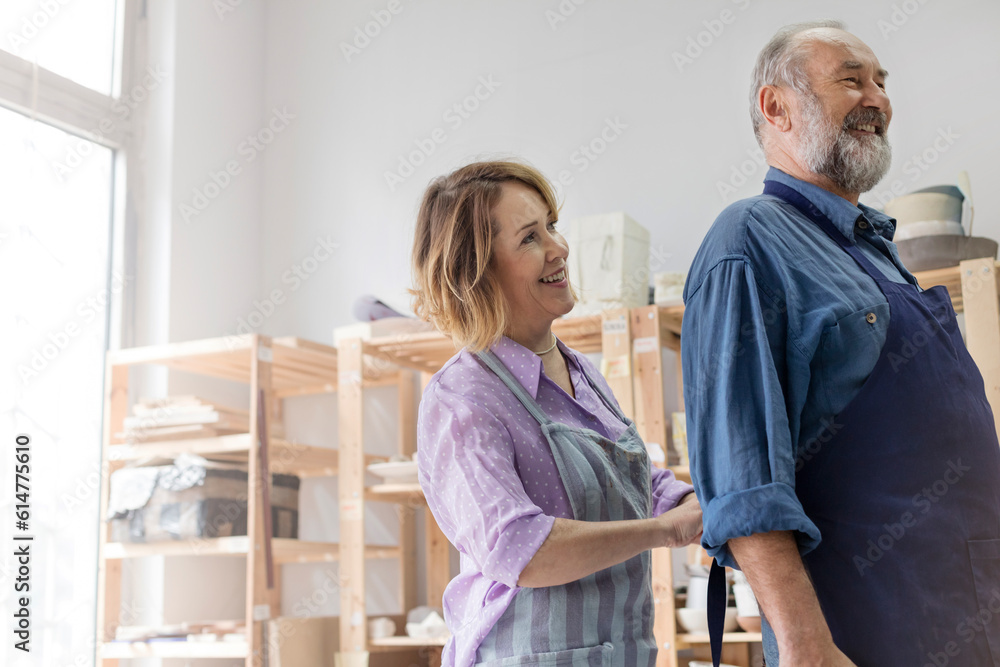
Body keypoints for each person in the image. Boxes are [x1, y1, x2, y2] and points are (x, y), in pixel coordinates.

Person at [682, 19, 1000, 667]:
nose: (878, 99)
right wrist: (806, 648)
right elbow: (743, 478)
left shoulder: (877, 251)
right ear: (777, 106)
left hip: (969, 616)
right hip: (870, 630)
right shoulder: (748, 241)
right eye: (851, 80)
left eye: (882, 83)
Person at [412, 160, 703, 667]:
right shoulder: (463, 400)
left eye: (551, 225)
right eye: (529, 238)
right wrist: (665, 530)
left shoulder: (580, 371)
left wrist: (698, 503)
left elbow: (630, 479)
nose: (559, 247)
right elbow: (520, 548)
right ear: (476, 273)